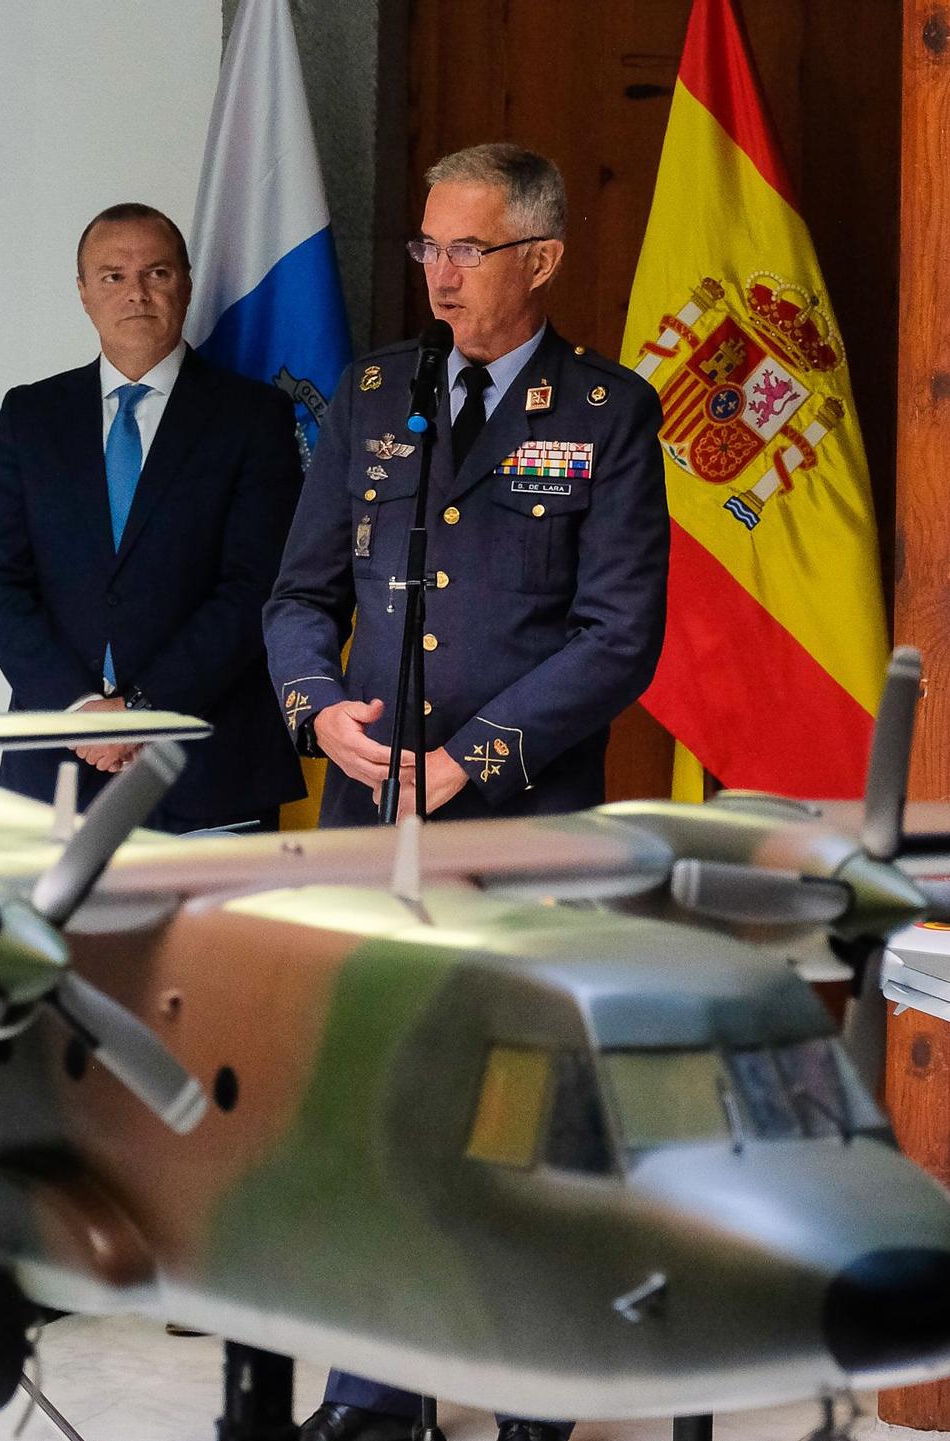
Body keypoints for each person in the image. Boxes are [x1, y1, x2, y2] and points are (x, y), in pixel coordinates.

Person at [264, 144, 668, 1441]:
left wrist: (473, 752)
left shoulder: (607, 413)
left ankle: (529, 1389)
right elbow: (297, 596)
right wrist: (318, 707)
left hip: (522, 824)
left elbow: (619, 636)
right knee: (380, 1097)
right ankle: (377, 1389)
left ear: (539, 260)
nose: (438, 273)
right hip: (370, 821)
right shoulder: (375, 392)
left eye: (467, 249)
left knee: (518, 1114)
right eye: (427, 246)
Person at [0, 202, 305, 833]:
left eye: (157, 273)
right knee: (54, 936)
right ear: (83, 293)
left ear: (185, 283)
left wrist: (142, 710)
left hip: (208, 766)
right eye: (113, 276)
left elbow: (253, 588)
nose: (136, 293)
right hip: (57, 769)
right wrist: (78, 710)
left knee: (220, 938)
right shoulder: (30, 417)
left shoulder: (253, 418)